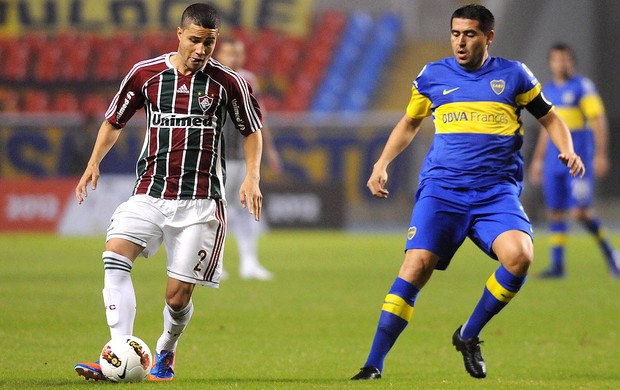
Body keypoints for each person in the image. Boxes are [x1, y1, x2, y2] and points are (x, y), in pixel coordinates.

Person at [351, 4, 585, 381]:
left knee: (521, 257)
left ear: (488, 37)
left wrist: (567, 148)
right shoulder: (432, 75)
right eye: (456, 34)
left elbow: (551, 117)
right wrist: (381, 164)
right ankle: (373, 364)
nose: (461, 42)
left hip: (495, 193)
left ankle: (468, 333)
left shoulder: (514, 76)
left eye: (470, 34)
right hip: (442, 191)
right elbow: (409, 122)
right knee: (415, 267)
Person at [73, 3, 264, 381]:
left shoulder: (229, 83)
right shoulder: (145, 75)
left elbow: (252, 131)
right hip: (149, 192)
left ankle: (165, 349)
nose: (201, 49)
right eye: (194, 40)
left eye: (209, 43)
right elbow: (114, 121)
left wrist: (252, 176)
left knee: (177, 298)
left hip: (201, 202)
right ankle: (120, 351)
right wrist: (93, 161)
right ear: (179, 34)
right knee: (114, 256)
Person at [529, 43, 618, 278]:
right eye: (557, 59)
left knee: (580, 212)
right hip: (552, 162)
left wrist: (600, 155)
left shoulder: (582, 88)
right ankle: (558, 267)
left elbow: (598, 121)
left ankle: (612, 255)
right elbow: (545, 130)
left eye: (566, 59)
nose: (562, 64)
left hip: (578, 161)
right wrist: (538, 160)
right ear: (550, 63)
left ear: (572, 62)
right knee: (555, 211)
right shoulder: (546, 90)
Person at [215, 36, 282, 281]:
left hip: (242, 157)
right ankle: (214, 264)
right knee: (215, 211)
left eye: (239, 53)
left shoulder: (248, 79)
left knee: (245, 209)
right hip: (216, 159)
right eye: (231, 53)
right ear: (219, 55)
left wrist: (270, 151)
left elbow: (258, 117)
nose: (236, 58)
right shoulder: (209, 77)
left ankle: (249, 263)